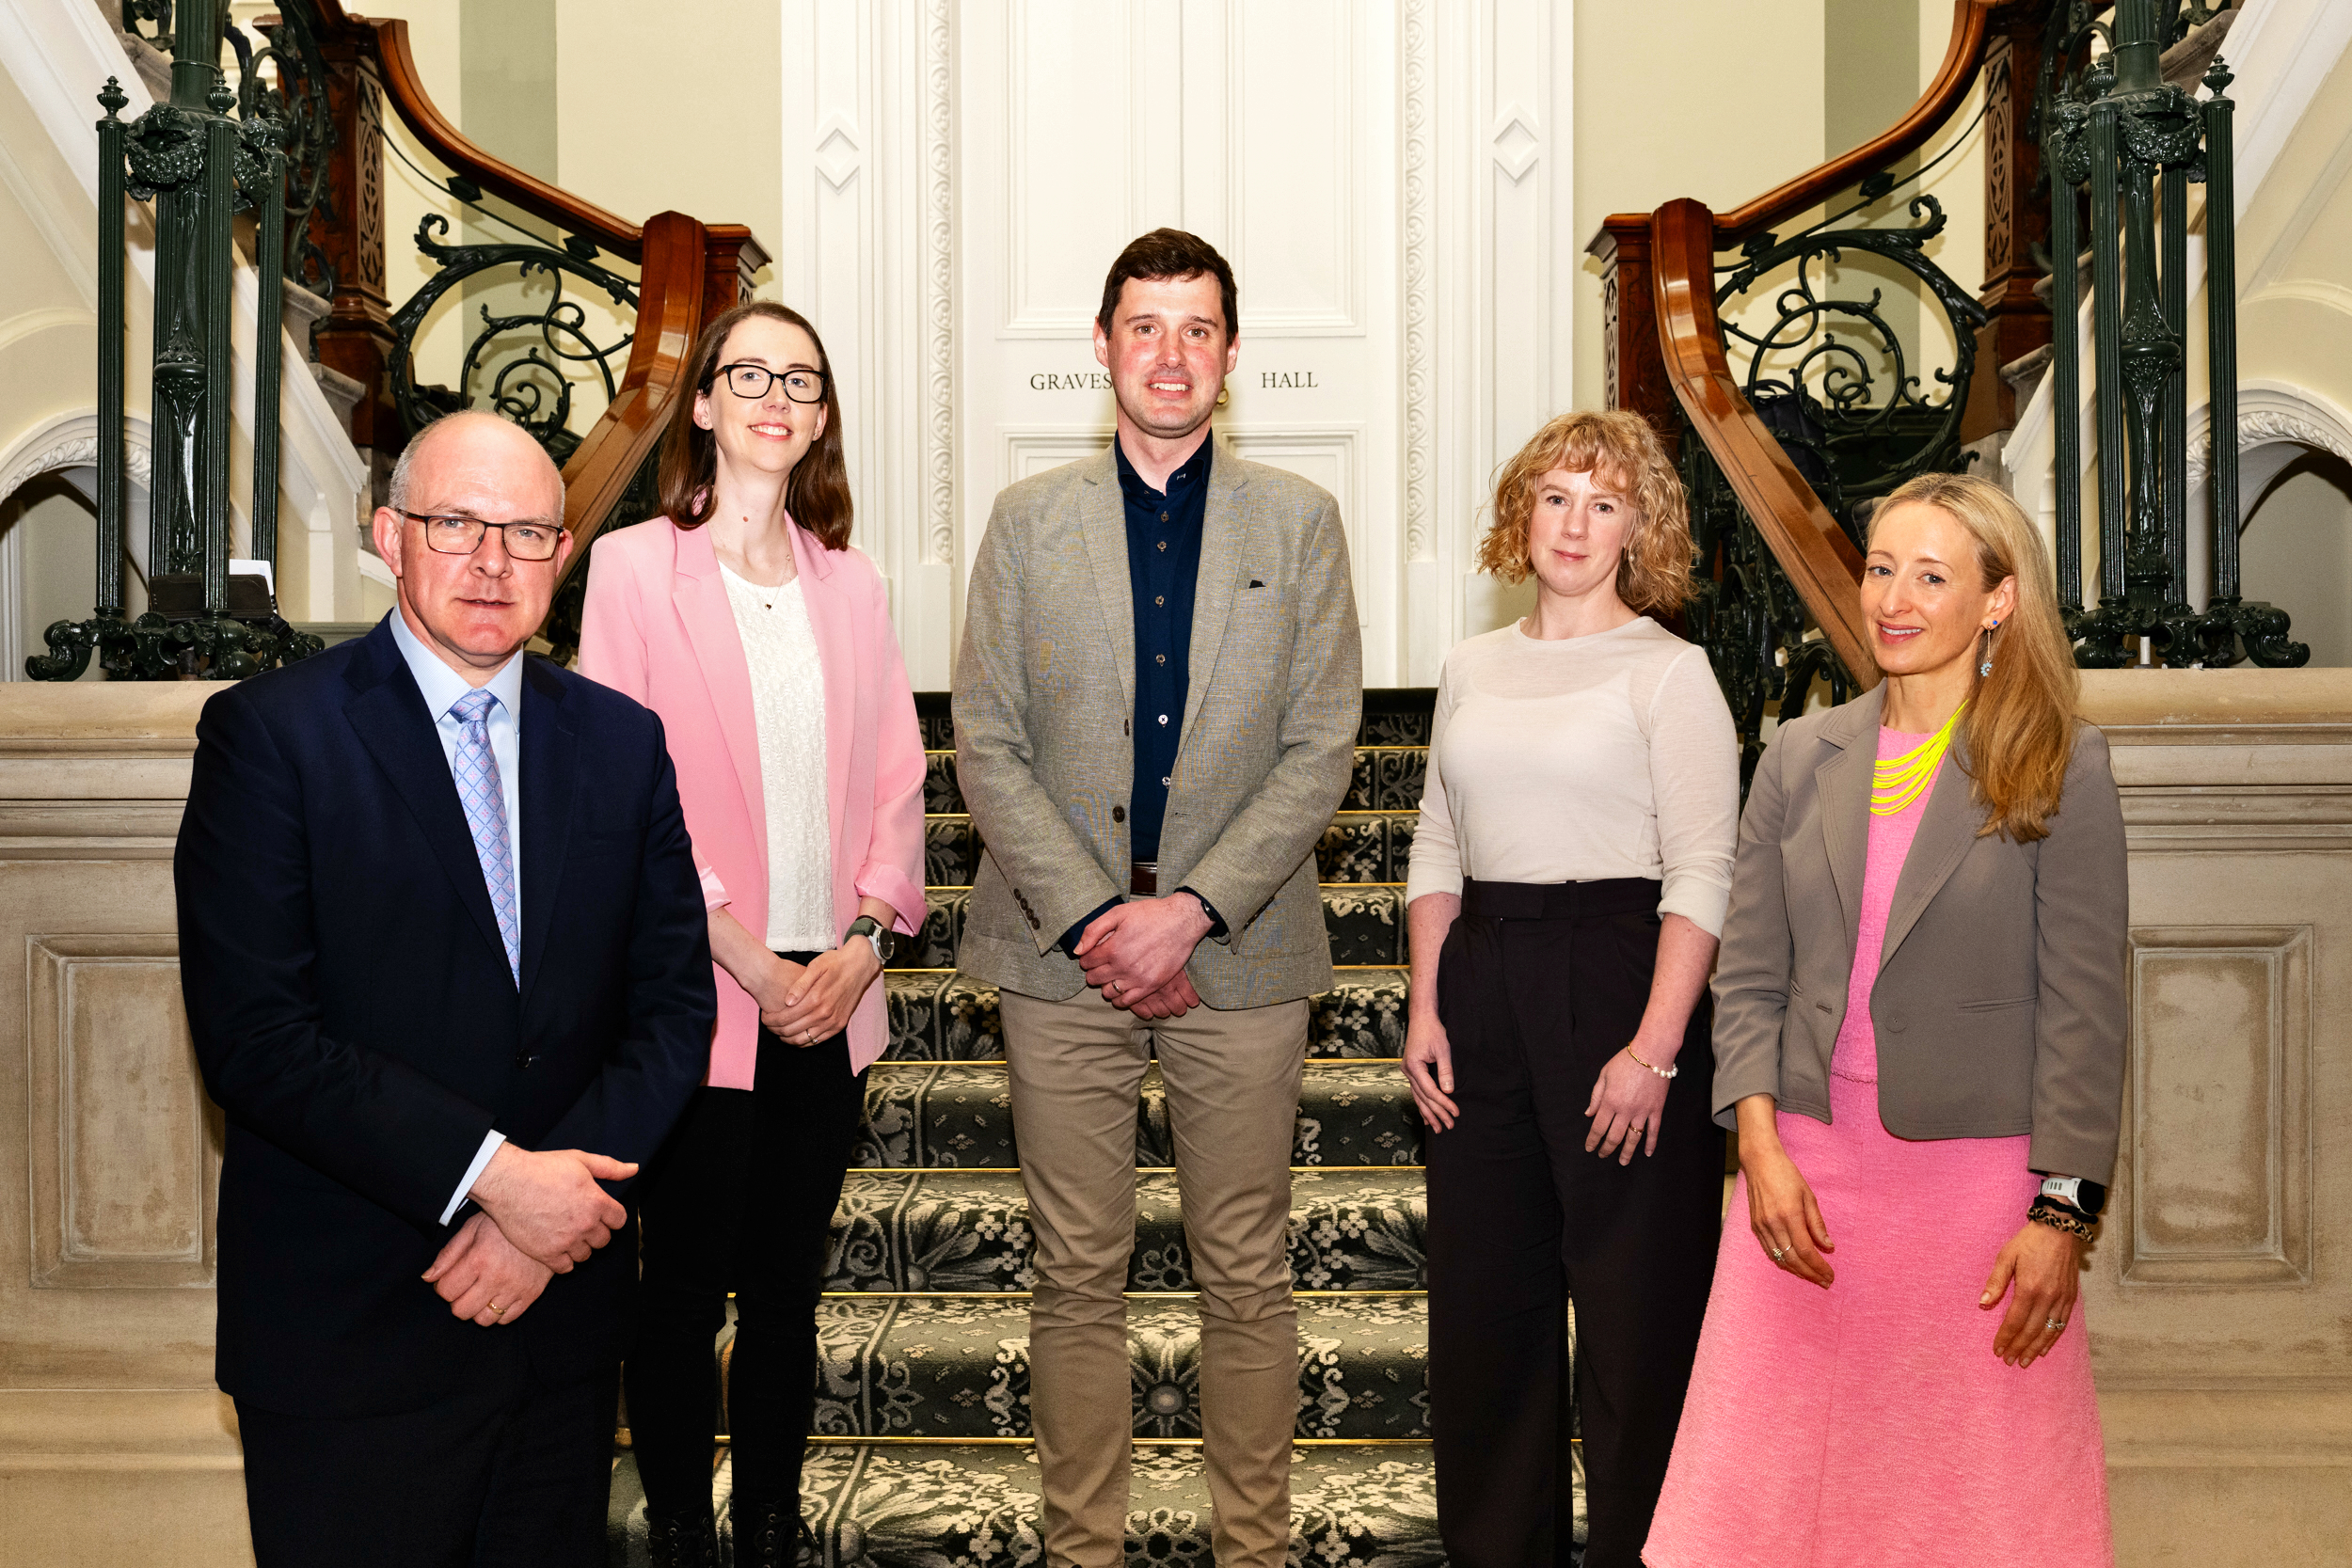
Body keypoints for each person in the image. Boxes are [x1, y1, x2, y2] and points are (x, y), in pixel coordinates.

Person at [173, 411, 716, 1568]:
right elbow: (257, 1036)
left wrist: (546, 1223)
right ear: (389, 534)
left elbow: (671, 1011)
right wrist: (494, 1179)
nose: (490, 560)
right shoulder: (270, 736)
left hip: (558, 1336)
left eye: (526, 532)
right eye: (456, 522)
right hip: (354, 1334)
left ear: (562, 559)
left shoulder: (623, 743)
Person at [952, 227, 1360, 1568]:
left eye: (1197, 329)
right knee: (1077, 1276)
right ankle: (1086, 1549)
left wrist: (1188, 907)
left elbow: (1322, 747)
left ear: (1231, 356)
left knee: (1246, 1273)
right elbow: (987, 741)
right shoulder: (1026, 522)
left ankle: (1253, 1547)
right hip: (1055, 952)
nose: (1171, 354)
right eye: (1146, 325)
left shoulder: (1300, 523)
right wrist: (1093, 916)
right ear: (1103, 344)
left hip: (1238, 956)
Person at [1645, 471, 2127, 1568]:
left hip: (1978, 1189)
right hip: (1802, 1174)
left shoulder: (2058, 761)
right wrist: (1755, 1148)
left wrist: (2062, 1212)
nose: (1892, 598)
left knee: (1973, 1490)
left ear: (1996, 600)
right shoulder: (1798, 755)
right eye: (1877, 567)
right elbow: (1751, 974)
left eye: (1930, 575)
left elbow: (2086, 1009)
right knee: (1760, 1484)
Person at [576, 301, 926, 1567]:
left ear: (821, 418)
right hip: (694, 992)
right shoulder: (631, 573)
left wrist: (864, 940)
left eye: (806, 380)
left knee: (788, 1292)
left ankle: (771, 1528)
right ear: (707, 402)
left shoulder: (854, 582)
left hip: (831, 996)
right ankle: (676, 1527)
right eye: (752, 374)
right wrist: (745, 952)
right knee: (677, 1295)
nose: (779, 396)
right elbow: (624, 789)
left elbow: (899, 776)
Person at [1401, 409, 1739, 1568]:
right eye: (1554, 496)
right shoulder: (1469, 666)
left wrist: (1652, 1049)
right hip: (1482, 975)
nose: (1575, 523)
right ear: (1521, 512)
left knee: (1636, 1326)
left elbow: (1703, 870)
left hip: (1618, 977)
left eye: (1603, 502)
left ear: (1639, 525)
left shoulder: (1671, 671)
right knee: (1486, 1318)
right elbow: (1437, 845)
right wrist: (1424, 1005)